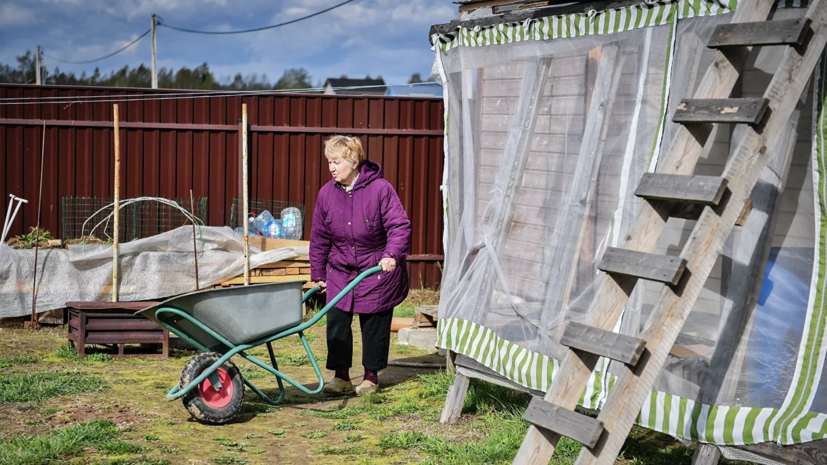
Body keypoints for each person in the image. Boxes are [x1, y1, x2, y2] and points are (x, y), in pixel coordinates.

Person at [309, 135, 411, 396]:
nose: (331, 168)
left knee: (374, 321)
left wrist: (392, 254)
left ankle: (370, 378)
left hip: (375, 267)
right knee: (337, 320)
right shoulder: (326, 194)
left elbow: (399, 226)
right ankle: (341, 377)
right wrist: (318, 273)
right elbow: (319, 236)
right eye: (329, 162)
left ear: (354, 161)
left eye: (337, 162)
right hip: (341, 269)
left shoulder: (381, 189)